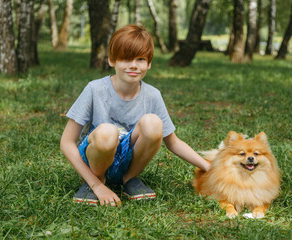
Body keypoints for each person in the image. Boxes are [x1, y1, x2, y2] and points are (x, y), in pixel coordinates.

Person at [60, 24, 210, 206]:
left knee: (153, 123)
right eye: (125, 58)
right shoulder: (95, 89)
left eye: (140, 59)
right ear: (111, 60)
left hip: (127, 160)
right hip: (95, 159)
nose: (133, 65)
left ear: (149, 63)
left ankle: (130, 179)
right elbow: (67, 143)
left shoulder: (153, 95)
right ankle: (95, 182)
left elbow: (173, 142)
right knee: (108, 132)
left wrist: (209, 167)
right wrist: (96, 184)